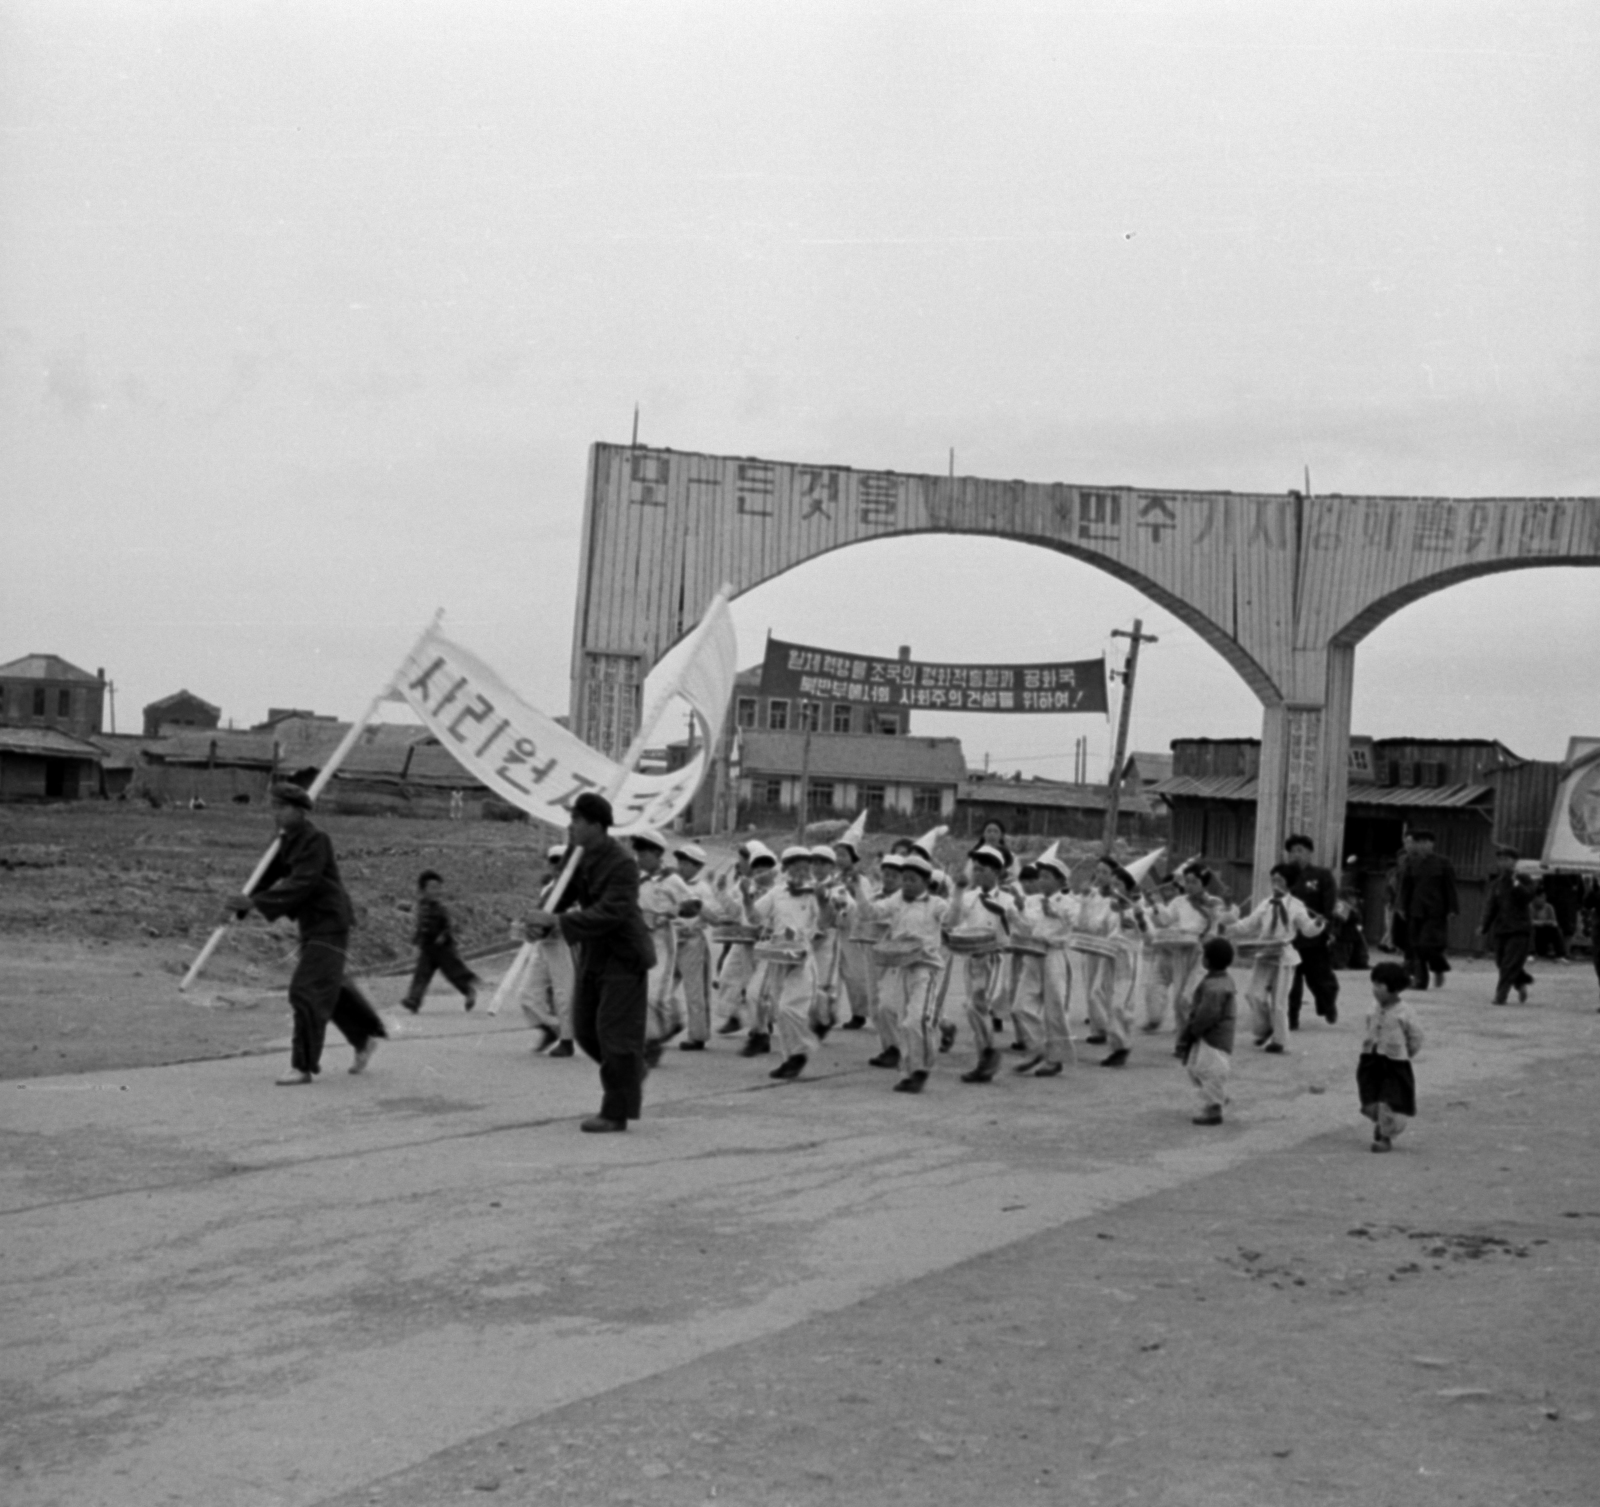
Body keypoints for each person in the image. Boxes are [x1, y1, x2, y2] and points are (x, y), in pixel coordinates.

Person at [225, 782, 388, 1085]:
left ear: (299, 810)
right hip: (311, 924)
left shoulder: (315, 840)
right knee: (328, 985)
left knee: (307, 990)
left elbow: (303, 882)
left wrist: (256, 902)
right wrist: (242, 907)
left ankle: (302, 1066)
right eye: (273, 807)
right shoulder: (284, 841)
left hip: (330, 922)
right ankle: (364, 1037)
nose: (276, 814)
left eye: (282, 808)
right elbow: (265, 876)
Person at [522, 792, 655, 1133]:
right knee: (584, 1029)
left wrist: (559, 923)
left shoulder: (622, 863)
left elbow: (612, 911)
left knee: (615, 1034)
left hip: (624, 955)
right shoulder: (575, 854)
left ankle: (616, 1111)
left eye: (577, 821)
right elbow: (561, 895)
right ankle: (630, 1072)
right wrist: (540, 919)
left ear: (596, 826)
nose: (571, 826)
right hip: (594, 952)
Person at [750, 846, 836, 1080]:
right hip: (778, 955)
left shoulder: (815, 894)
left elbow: (827, 922)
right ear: (785, 869)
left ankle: (801, 1051)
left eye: (805, 869)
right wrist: (747, 901)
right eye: (796, 868)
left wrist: (823, 901)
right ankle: (790, 1058)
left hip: (802, 958)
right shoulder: (777, 893)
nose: (801, 873)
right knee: (778, 1009)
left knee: (791, 1008)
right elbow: (755, 917)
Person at [1228, 863, 1326, 1054]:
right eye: (1273, 879)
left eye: (1280, 880)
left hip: (1284, 955)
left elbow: (1307, 929)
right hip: (1264, 952)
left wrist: (1317, 923)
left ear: (1289, 883)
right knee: (1253, 994)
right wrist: (1229, 928)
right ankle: (1264, 1028)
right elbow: (1249, 925)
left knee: (1279, 1002)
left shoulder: (1297, 906)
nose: (1275, 883)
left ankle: (1279, 1041)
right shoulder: (1265, 904)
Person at [946, 844, 1017, 1084]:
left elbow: (1019, 926)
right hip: (972, 958)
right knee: (976, 1009)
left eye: (983, 869)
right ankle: (984, 1058)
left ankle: (987, 1055)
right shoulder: (969, 897)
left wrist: (1010, 913)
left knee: (976, 1004)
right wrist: (956, 891)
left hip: (995, 958)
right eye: (975, 869)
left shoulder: (1008, 899)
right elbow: (953, 921)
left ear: (997, 871)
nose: (978, 874)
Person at [1357, 961, 1425, 1153]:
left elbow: (1416, 1036)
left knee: (1390, 1100)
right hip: (1370, 1060)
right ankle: (1380, 1120)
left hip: (1394, 1063)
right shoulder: (1373, 1006)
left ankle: (1385, 1137)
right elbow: (1369, 1025)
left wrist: (1406, 1053)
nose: (1375, 989)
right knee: (1369, 1099)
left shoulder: (1405, 1011)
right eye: (1374, 984)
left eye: (1380, 985)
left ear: (1394, 989)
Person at [518, 845, 577, 1056]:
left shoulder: (574, 888)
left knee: (564, 993)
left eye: (559, 862)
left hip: (564, 944)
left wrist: (552, 924)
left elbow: (575, 917)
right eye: (552, 862)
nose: (555, 867)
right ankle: (552, 1028)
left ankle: (567, 1040)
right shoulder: (548, 888)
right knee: (527, 993)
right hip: (543, 945)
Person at [1174, 937, 1238, 1126]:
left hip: (1214, 1036)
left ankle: (1213, 1108)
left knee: (1209, 1069)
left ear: (1207, 961)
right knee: (1195, 1067)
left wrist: (1190, 1032)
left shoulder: (1214, 988)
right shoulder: (1221, 980)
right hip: (1210, 1036)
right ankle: (1216, 1095)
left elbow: (1207, 1016)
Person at [400, 869, 480, 1014]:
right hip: (428, 948)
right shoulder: (420, 906)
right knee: (421, 974)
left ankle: (469, 991)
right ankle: (414, 1000)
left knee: (453, 973)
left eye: (438, 888)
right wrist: (416, 940)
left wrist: (443, 935)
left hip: (443, 949)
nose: (436, 891)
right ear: (423, 890)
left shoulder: (441, 908)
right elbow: (420, 925)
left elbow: (448, 926)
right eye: (432, 888)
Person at [1282, 834, 1340, 1027]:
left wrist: (1327, 927)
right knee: (1291, 981)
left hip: (1315, 936)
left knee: (1321, 979)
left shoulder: (1322, 875)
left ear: (1310, 853)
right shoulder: (1283, 877)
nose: (1296, 855)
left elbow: (1329, 904)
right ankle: (1291, 1018)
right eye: (1292, 851)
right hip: (1291, 937)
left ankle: (1328, 1006)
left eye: (1301, 850)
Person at [1396, 829, 1458, 990]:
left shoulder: (1443, 862)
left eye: (1426, 842)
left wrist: (1452, 908)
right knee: (1416, 946)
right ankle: (1420, 981)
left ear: (1432, 844)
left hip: (1436, 910)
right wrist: (1401, 906)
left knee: (1427, 945)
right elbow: (1406, 887)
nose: (1422, 846)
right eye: (1419, 842)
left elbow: (1450, 887)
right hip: (1415, 909)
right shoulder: (1411, 862)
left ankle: (1438, 967)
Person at [671, 843, 716, 1050]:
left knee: (695, 990)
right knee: (660, 989)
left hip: (692, 942)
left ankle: (698, 1035)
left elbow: (713, 917)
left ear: (697, 866)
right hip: (670, 941)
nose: (681, 866)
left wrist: (699, 905)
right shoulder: (671, 883)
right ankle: (668, 1024)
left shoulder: (703, 888)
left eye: (686, 863)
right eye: (679, 861)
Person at [1478, 847, 1536, 1005]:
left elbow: (1528, 897)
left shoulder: (1525, 879)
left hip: (1520, 929)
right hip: (1502, 929)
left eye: (1507, 859)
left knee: (1509, 963)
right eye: (1501, 859)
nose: (1503, 863)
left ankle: (1500, 996)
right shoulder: (1496, 884)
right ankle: (1519, 982)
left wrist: (1515, 882)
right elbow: (1492, 907)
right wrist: (1484, 925)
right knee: (1501, 962)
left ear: (1515, 862)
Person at [1529, 890, 1568, 961]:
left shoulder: (1549, 907)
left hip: (1546, 931)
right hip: (1535, 932)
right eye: (1541, 897)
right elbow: (1530, 922)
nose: (1543, 899)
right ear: (1535, 898)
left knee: (1557, 930)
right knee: (1530, 929)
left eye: (1544, 897)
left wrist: (1542, 923)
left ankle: (1560, 955)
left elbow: (1554, 922)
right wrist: (1545, 922)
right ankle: (1530, 953)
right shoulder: (1529, 907)